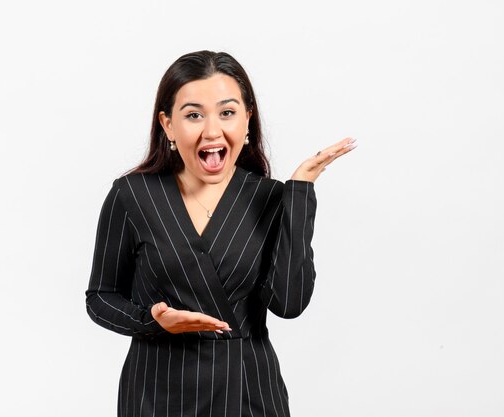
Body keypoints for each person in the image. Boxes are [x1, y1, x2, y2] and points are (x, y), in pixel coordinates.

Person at [85, 50, 356, 417]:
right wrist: (154, 320)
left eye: (227, 113)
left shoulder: (271, 197)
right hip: (156, 393)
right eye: (194, 115)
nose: (212, 130)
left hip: (248, 392)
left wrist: (300, 193)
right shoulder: (132, 195)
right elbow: (100, 297)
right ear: (168, 125)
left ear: (247, 120)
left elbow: (289, 305)